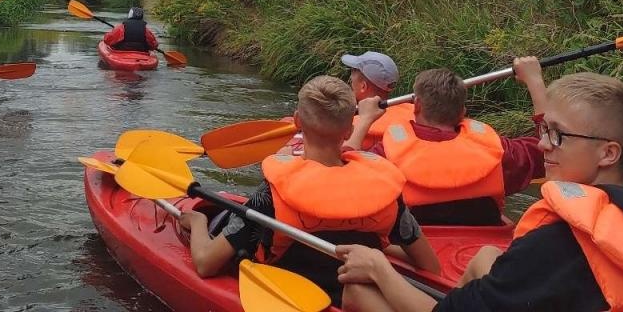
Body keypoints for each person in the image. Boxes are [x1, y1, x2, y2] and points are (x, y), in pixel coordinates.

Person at [334, 72, 623, 312]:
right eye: (544, 131)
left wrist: (379, 268)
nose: (542, 145)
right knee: (487, 256)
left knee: (357, 291)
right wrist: (535, 83)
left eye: (557, 135)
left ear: (608, 152)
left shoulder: (555, 246)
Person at [179, 75, 440, 308]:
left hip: (290, 298)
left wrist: (197, 221)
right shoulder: (385, 190)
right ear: (350, 129)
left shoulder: (272, 193)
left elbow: (205, 263)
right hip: (357, 297)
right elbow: (430, 266)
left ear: (296, 121)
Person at [346, 57, 548, 225]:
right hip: (488, 243)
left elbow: (343, 177)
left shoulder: (386, 154)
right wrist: (535, 81)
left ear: (416, 106)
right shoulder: (500, 150)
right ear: (463, 112)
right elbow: (550, 147)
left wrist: (364, 121)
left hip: (415, 252)